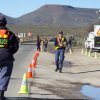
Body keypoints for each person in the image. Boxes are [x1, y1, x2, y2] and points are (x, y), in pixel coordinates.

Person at [0, 15, 19, 100]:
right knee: (5, 75)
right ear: (5, 23)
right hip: (6, 56)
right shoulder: (10, 34)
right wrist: (10, 52)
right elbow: (15, 46)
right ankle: (1, 95)